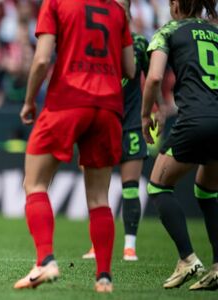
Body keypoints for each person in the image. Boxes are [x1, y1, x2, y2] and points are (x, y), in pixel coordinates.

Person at [14, 0, 135, 293]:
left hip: (67, 100)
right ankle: (104, 278)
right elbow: (131, 68)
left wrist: (29, 101)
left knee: (35, 184)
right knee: (99, 198)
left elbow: (42, 60)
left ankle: (45, 260)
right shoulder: (118, 11)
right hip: (108, 108)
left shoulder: (56, 3)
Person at [142, 0, 218, 290]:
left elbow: (155, 77)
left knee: (158, 186)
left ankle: (188, 258)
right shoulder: (216, 33)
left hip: (195, 119)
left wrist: (146, 112)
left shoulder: (169, 30)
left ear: (175, 5)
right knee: (207, 190)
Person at [82, 0, 149, 262]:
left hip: (130, 123)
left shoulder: (141, 44)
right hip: (101, 123)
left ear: (128, 11)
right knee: (100, 190)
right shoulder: (97, 41)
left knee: (130, 187)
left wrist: (154, 110)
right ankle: (96, 244)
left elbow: (150, 79)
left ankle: (129, 245)